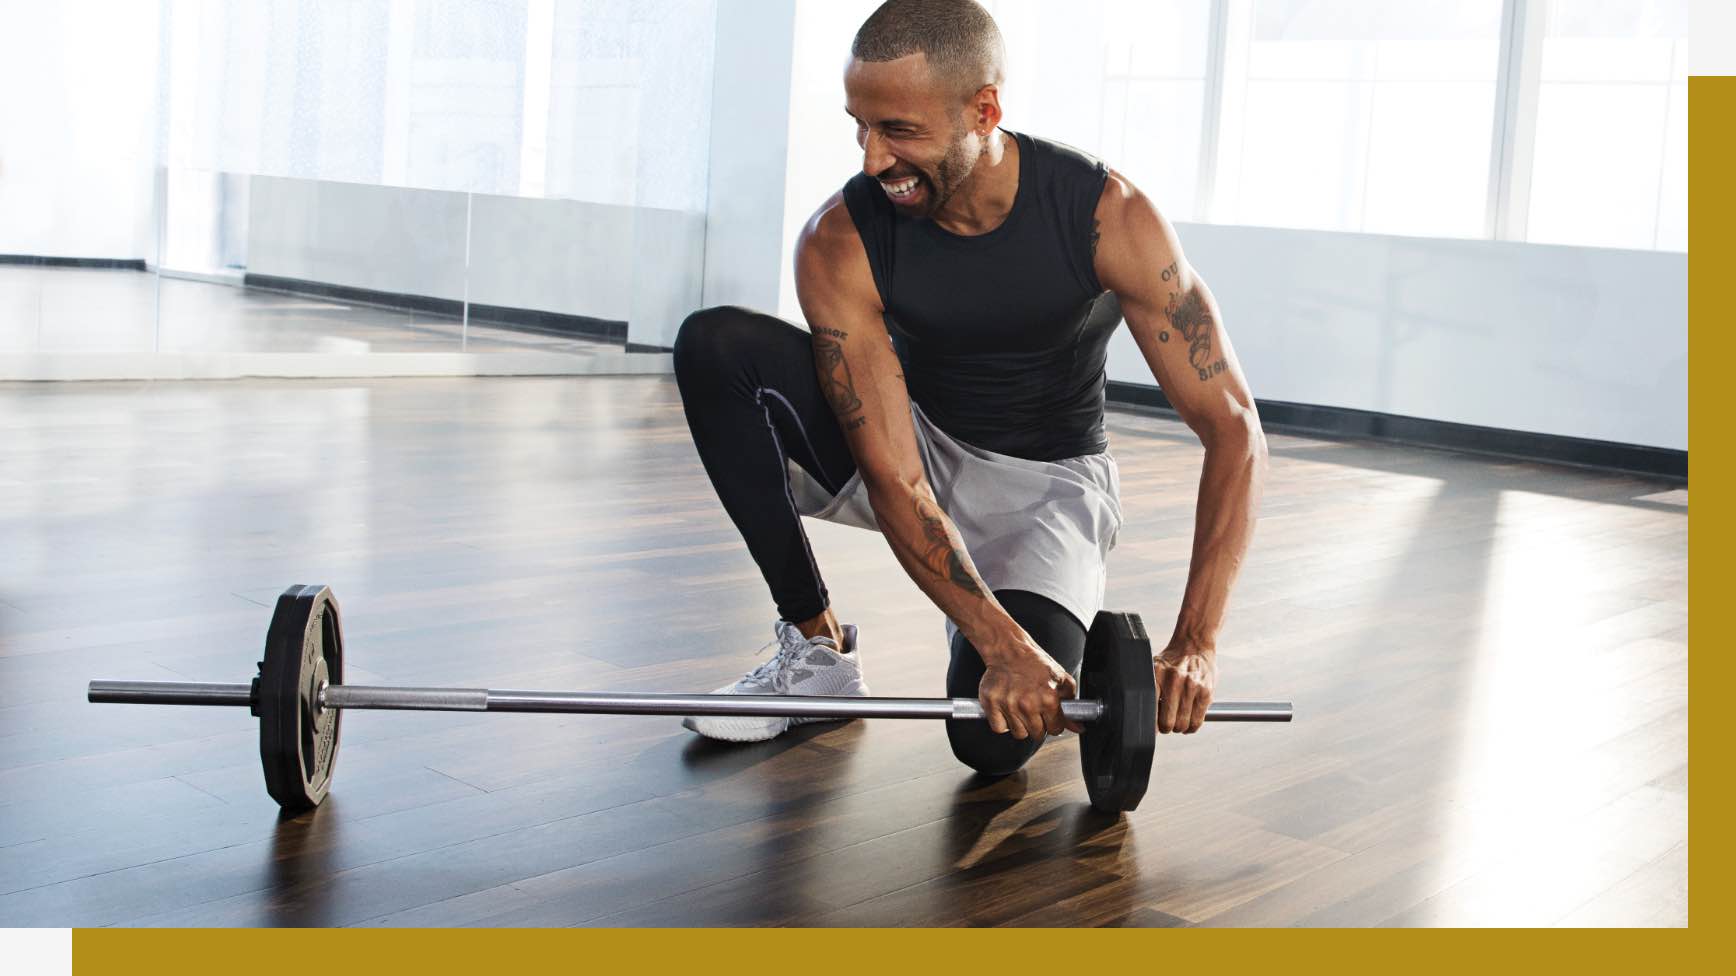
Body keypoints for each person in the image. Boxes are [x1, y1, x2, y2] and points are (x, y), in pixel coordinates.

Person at [671, 0, 1267, 776]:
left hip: (1046, 488)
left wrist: (1196, 643)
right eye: (861, 125)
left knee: (989, 742)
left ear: (984, 110)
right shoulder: (840, 238)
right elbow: (893, 473)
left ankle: (1033, 618)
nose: (872, 158)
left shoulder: (1104, 217)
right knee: (717, 346)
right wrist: (998, 643)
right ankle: (817, 653)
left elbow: (1234, 431)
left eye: (900, 131)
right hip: (912, 441)